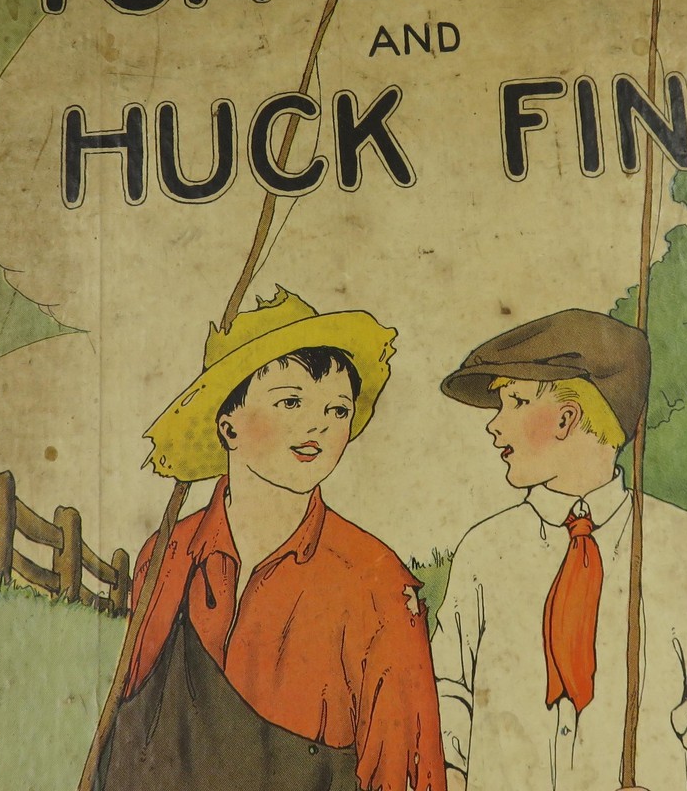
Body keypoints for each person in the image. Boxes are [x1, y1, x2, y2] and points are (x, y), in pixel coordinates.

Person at [430, 309, 687, 791]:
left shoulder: (681, 545)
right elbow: (443, 712)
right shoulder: (484, 551)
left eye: (515, 402)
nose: (494, 427)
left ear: (568, 418)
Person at [96, 287, 445, 791]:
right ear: (229, 426)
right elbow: (129, 731)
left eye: (338, 410)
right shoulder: (169, 553)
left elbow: (406, 772)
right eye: (291, 401)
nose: (318, 425)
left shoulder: (377, 583)